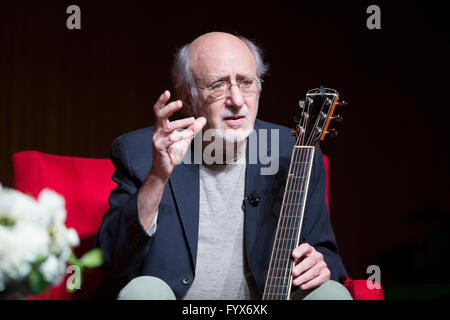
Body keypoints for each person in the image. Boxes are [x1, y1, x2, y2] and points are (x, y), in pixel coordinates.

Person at [95, 32, 351, 300]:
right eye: (218, 85)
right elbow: (113, 261)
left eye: (246, 82)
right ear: (187, 94)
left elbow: (329, 256)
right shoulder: (141, 153)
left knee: (331, 294)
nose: (237, 100)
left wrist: (320, 266)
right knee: (144, 291)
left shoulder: (292, 152)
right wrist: (158, 177)